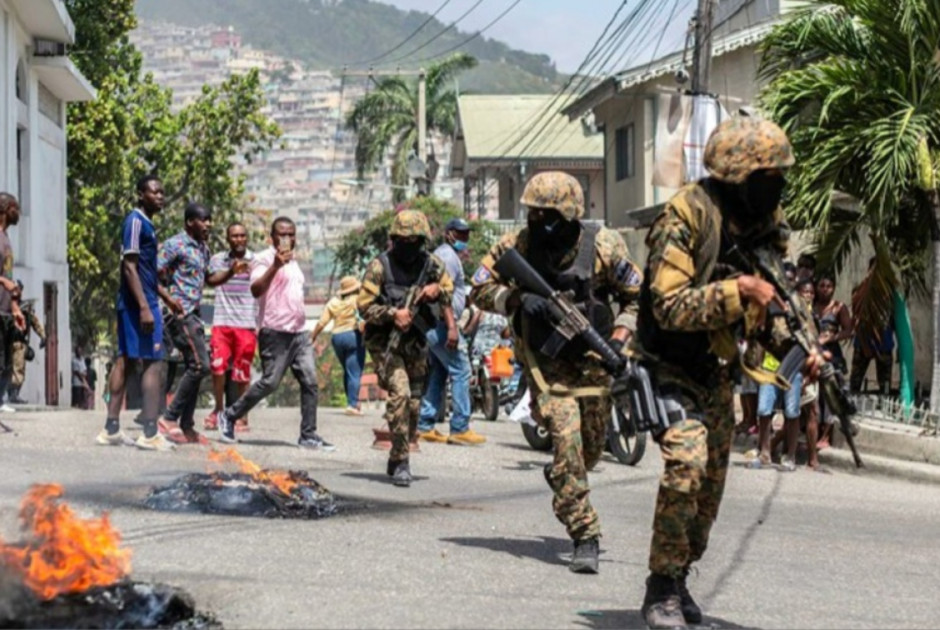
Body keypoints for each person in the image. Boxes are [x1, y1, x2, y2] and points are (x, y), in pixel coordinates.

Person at [632, 118, 825, 628]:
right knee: (687, 465)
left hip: (716, 370)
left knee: (710, 491)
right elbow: (668, 306)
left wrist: (799, 345)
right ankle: (660, 589)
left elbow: (769, 313)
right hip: (667, 364)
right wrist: (738, 291)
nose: (777, 187)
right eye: (769, 176)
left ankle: (678, 577)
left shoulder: (764, 224)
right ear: (738, 175)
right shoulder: (686, 216)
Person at [471, 171, 642, 575]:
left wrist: (619, 339)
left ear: (571, 216)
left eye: (550, 217)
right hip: (544, 363)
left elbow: (638, 298)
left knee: (591, 449)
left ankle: (562, 476)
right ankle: (585, 533)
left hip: (594, 360)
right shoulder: (517, 246)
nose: (541, 224)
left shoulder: (604, 247)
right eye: (535, 214)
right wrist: (514, 298)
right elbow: (477, 287)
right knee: (567, 438)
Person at [358, 209, 456, 488]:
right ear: (394, 240)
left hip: (416, 340)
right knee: (399, 394)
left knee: (414, 404)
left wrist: (436, 290)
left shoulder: (433, 264)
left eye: (415, 241)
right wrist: (392, 314)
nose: (409, 246)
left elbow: (451, 288)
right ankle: (402, 460)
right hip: (385, 342)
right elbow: (363, 307)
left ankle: (398, 449)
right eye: (403, 240)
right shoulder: (380, 266)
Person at [215, 217, 333, 450]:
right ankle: (229, 415)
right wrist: (275, 266)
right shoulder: (263, 258)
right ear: (272, 237)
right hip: (274, 332)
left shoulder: (295, 262)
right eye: (282, 234)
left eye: (291, 234)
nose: (287, 239)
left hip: (299, 332)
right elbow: (255, 289)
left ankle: (308, 434)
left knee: (310, 381)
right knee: (270, 383)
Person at [96, 175, 178, 451]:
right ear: (140, 195)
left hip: (144, 300)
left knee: (127, 360)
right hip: (137, 305)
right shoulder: (135, 222)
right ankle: (150, 432)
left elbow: (145, 271)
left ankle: (111, 429)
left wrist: (166, 297)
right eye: (154, 192)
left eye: (162, 192)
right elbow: (129, 267)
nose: (160, 196)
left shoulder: (148, 225)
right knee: (153, 362)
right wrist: (145, 307)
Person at [156, 203, 244, 445]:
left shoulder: (203, 249)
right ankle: (169, 417)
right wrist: (169, 300)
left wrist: (230, 272)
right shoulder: (175, 245)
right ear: (189, 223)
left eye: (209, 220)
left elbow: (209, 279)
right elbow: (150, 274)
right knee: (199, 365)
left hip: (193, 313)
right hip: (178, 313)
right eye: (202, 220)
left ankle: (186, 426)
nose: (208, 225)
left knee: (195, 365)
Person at [418, 217, 486, 445]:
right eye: (460, 233)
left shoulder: (445, 255)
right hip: (441, 324)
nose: (464, 238)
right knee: (462, 371)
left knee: (439, 372)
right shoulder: (447, 256)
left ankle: (425, 424)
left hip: (434, 324)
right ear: (449, 234)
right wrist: (451, 327)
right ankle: (460, 428)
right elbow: (442, 294)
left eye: (466, 234)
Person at [204, 222, 257, 432]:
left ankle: (242, 415)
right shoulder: (218, 260)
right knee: (217, 367)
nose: (239, 239)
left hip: (246, 323)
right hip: (222, 322)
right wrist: (231, 271)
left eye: (242, 235)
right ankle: (219, 410)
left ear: (247, 237)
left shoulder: (256, 261)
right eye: (234, 236)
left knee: (242, 372)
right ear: (228, 239)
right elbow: (212, 281)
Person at [311, 275, 366, 416]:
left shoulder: (333, 302)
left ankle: (351, 401)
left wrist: (312, 337)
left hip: (337, 338)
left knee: (348, 370)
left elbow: (322, 323)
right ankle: (352, 405)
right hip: (353, 336)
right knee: (354, 371)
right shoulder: (358, 299)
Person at [813, 272, 853, 448]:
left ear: (833, 288)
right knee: (814, 395)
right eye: (821, 286)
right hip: (813, 355)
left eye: (828, 286)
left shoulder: (839, 307)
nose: (824, 289)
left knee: (830, 396)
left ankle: (826, 435)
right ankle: (812, 432)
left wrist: (831, 338)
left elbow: (848, 330)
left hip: (832, 356)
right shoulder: (811, 306)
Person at [850, 258, 895, 395]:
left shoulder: (891, 294)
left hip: (884, 345)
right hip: (863, 343)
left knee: (885, 385)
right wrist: (864, 345)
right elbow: (856, 318)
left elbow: (895, 320)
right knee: (855, 383)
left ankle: (885, 410)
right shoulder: (860, 290)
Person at [8, 290, 45, 404]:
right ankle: (12, 395)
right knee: (16, 370)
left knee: (19, 369)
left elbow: (35, 323)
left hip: (19, 344)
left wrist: (43, 336)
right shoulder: (11, 308)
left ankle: (14, 395)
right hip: (12, 343)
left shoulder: (25, 310)